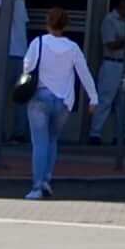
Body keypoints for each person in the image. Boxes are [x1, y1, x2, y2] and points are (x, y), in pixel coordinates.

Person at [18, 12, 99, 201]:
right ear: (66, 26)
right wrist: (93, 97)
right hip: (63, 101)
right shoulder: (73, 48)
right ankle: (47, 178)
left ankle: (37, 186)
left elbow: (27, 67)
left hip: (39, 96)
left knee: (39, 143)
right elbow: (84, 73)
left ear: (47, 24)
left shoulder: (38, 43)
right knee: (53, 139)